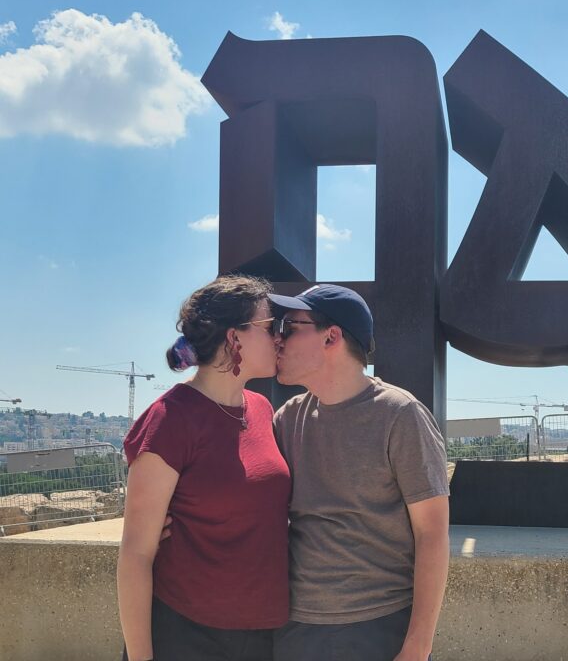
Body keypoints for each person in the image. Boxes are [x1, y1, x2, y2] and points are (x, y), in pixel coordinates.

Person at [268, 284, 450, 661]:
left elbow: (432, 534)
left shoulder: (400, 415)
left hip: (380, 627)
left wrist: (417, 647)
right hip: (296, 627)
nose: (277, 338)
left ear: (331, 336)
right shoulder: (287, 419)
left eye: (289, 326)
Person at [118, 275, 290, 661]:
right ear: (234, 337)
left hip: (262, 632)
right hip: (184, 633)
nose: (280, 337)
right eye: (270, 325)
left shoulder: (261, 409)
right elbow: (135, 556)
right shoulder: (169, 418)